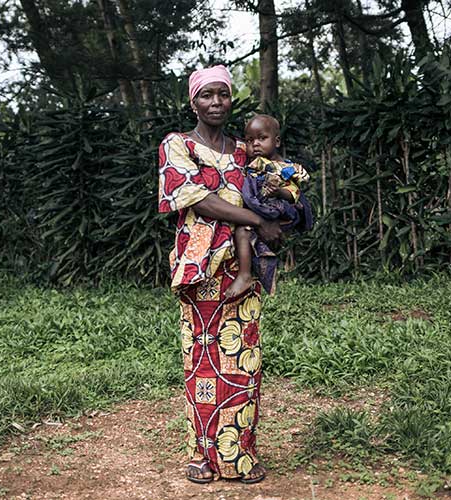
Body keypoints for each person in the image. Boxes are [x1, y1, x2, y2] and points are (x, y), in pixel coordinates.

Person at [158, 65, 282, 484]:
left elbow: (273, 185)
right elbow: (195, 199)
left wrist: (280, 214)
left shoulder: (244, 149)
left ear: (231, 99)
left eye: (222, 95)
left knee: (243, 361)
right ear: (192, 101)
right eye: (206, 95)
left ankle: (241, 455)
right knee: (201, 361)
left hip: (243, 265)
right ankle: (202, 455)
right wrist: (254, 218)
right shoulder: (177, 145)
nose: (215, 103)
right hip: (200, 267)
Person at [225, 114, 312, 298]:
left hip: (281, 212)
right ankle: (251, 270)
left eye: (261, 138)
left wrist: (279, 192)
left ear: (277, 141)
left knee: (243, 230)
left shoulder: (286, 168)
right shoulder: (254, 165)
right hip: (261, 212)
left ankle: (244, 274)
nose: (255, 144)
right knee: (243, 232)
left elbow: (294, 195)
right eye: (249, 140)